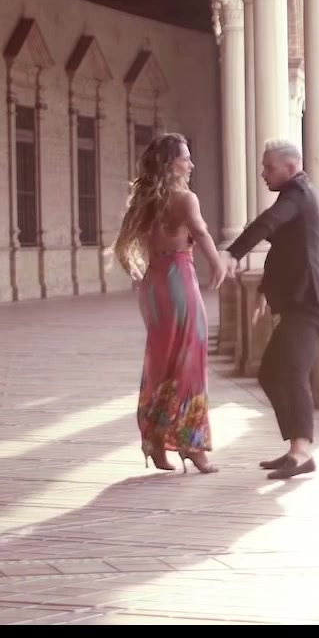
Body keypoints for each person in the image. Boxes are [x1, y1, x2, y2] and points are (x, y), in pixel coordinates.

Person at [112, 133, 226, 474]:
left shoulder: (143, 200)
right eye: (185, 159)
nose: (191, 165)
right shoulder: (185, 198)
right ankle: (192, 446)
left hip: (153, 286)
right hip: (179, 281)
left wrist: (137, 274)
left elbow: (122, 246)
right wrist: (217, 265)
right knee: (190, 361)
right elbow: (200, 233)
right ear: (170, 163)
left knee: (159, 362)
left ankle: (156, 443)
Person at [224, 139, 319, 480]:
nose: (263, 173)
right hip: (301, 304)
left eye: (268, 167)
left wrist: (232, 254)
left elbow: (265, 224)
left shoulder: (298, 194)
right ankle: (296, 449)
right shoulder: (293, 196)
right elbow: (283, 251)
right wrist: (264, 291)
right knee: (270, 374)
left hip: (312, 304)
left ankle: (302, 452)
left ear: (291, 167)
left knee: (291, 372)